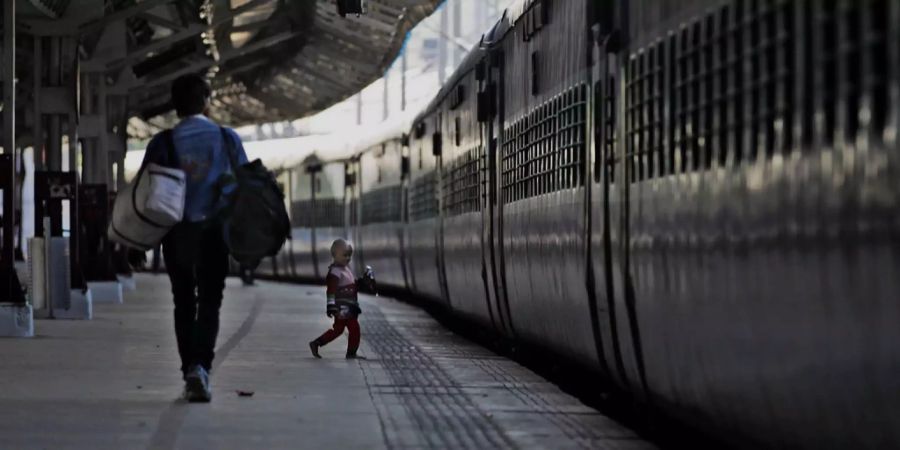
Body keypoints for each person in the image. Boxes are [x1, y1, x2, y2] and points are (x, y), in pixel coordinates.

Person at [141, 74, 249, 402]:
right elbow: (244, 186)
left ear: (175, 107)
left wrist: (135, 243)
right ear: (207, 101)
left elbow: (145, 192)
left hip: (176, 234)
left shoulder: (162, 143)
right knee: (210, 302)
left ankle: (189, 367)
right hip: (214, 234)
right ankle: (201, 366)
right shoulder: (226, 139)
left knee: (183, 301)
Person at [309, 239, 375, 359]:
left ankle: (317, 343)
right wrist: (330, 306)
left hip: (349, 306)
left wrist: (363, 282)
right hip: (342, 307)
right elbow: (331, 290)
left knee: (339, 330)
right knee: (353, 328)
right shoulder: (335, 272)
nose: (348, 258)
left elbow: (353, 285)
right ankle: (351, 353)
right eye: (345, 255)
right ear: (335, 255)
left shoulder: (345, 269)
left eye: (349, 255)